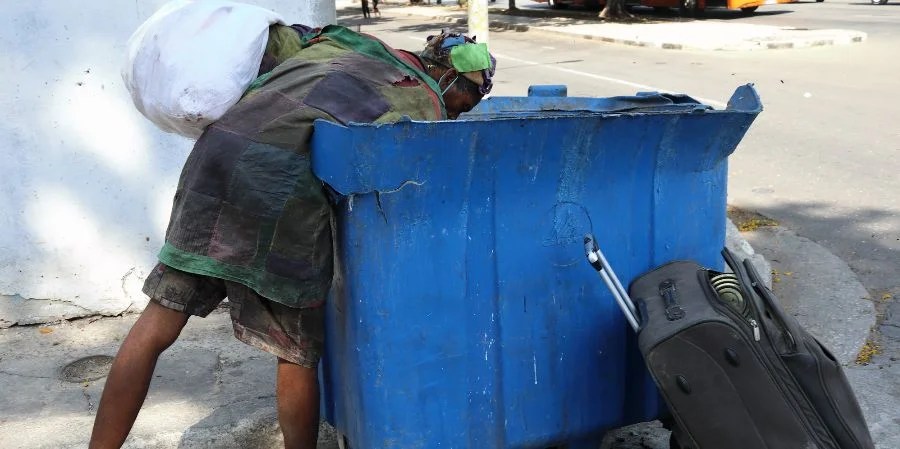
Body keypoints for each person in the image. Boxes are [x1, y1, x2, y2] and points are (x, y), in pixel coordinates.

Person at [88, 23, 495, 449]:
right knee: (295, 350)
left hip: (215, 160)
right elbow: (389, 168)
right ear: (452, 79)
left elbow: (276, 43)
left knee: (157, 323)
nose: (459, 113)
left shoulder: (349, 41)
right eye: (467, 102)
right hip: (281, 188)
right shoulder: (424, 101)